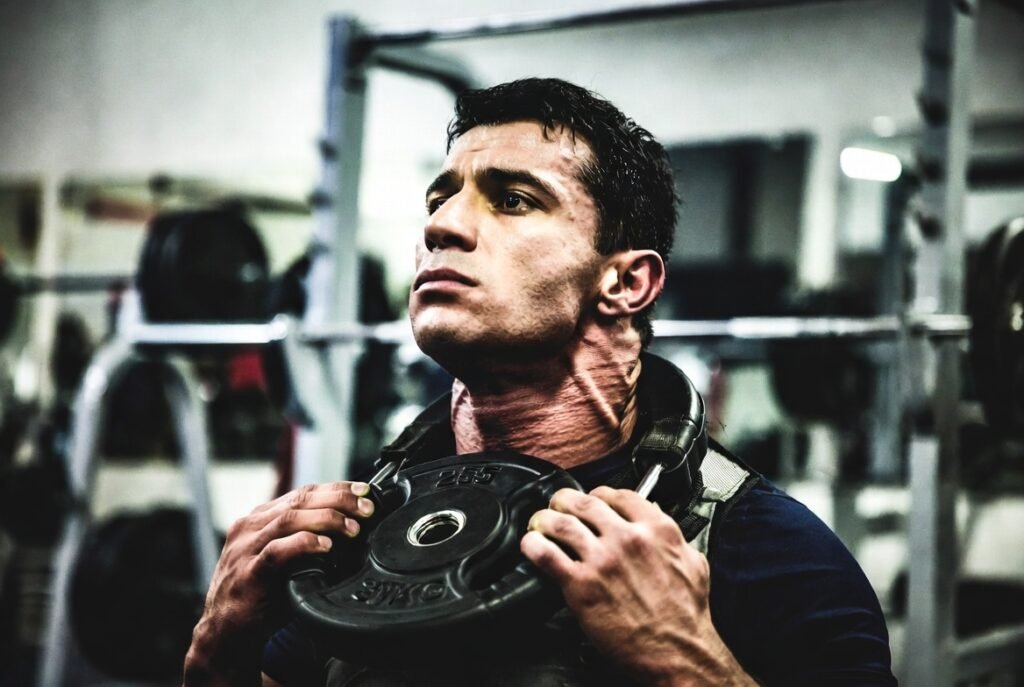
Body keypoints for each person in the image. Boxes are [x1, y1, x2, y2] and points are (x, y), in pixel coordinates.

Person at [183, 78, 896, 686]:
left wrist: (685, 659)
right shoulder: (363, 536)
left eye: (514, 200)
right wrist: (218, 647)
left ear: (627, 282)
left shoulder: (770, 554)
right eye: (439, 198)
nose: (443, 226)